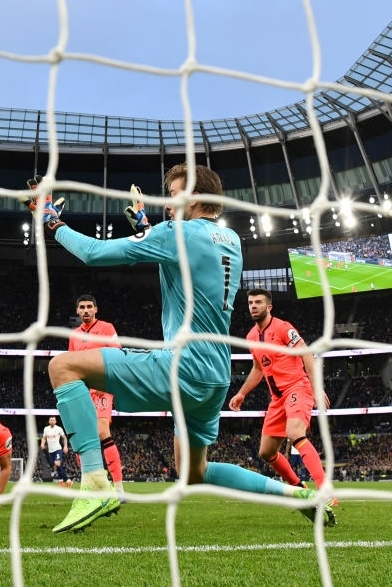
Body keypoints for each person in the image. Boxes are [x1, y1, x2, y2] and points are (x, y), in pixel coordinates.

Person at [23, 165, 335, 533]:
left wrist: (53, 224)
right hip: (215, 376)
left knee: (62, 367)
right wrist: (147, 228)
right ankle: (297, 495)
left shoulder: (176, 233)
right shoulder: (231, 240)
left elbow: (93, 253)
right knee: (194, 472)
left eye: (174, 197)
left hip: (182, 366)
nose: (168, 205)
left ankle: (93, 481)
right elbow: (186, 258)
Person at [228, 288, 334, 497]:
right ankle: (299, 487)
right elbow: (258, 369)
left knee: (295, 433)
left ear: (269, 307)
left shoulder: (283, 328)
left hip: (297, 388)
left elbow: (306, 354)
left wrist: (315, 388)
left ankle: (325, 491)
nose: (253, 306)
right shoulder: (251, 336)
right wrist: (241, 394)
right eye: (250, 303)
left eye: (258, 302)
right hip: (277, 399)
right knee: (266, 452)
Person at [68, 293, 125, 497]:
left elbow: (118, 354)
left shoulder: (107, 328)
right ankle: (93, 485)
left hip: (101, 387)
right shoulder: (74, 335)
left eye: (89, 306)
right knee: (82, 437)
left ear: (95, 309)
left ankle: (118, 488)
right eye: (81, 307)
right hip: (82, 390)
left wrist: (106, 379)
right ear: (77, 311)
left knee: (102, 431)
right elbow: (71, 364)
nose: (85, 310)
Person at [40, 416, 70, 487]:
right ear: (49, 421)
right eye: (51, 420)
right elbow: (44, 438)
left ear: (55, 421)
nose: (52, 421)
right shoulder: (46, 429)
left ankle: (67, 480)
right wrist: (42, 443)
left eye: (53, 420)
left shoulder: (58, 428)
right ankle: (61, 481)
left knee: (57, 464)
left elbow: (64, 438)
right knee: (56, 467)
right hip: (50, 451)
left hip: (57, 449)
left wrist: (65, 446)